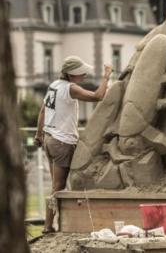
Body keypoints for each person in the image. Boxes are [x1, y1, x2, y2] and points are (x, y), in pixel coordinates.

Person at [35, 56, 113, 234]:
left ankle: (54, 223)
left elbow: (42, 110)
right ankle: (48, 226)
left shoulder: (54, 85)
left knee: (56, 185)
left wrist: (39, 134)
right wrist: (107, 77)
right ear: (71, 74)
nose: (84, 75)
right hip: (62, 142)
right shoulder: (71, 88)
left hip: (50, 138)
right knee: (58, 186)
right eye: (81, 72)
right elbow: (97, 96)